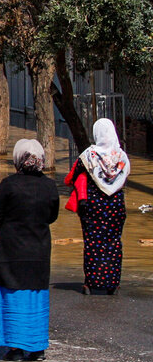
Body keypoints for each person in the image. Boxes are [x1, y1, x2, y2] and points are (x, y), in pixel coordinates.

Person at [0, 139, 60, 362]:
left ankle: (15, 348)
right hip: (39, 250)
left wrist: (9, 228)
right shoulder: (49, 186)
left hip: (11, 251)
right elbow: (52, 216)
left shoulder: (9, 184)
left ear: (18, 159)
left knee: (13, 295)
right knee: (35, 297)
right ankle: (37, 347)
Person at [66, 118, 130, 295]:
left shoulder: (89, 155)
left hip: (92, 206)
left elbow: (74, 173)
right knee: (113, 243)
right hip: (116, 205)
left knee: (93, 243)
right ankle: (113, 283)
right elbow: (125, 177)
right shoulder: (121, 156)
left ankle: (91, 283)